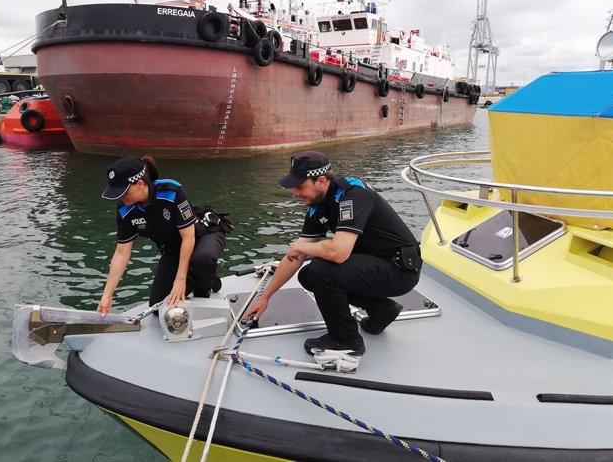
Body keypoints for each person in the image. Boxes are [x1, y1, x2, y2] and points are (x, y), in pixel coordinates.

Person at [245, 151, 422, 357]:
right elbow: (295, 257)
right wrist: (265, 297)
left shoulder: (353, 195)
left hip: (399, 270)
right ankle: (380, 309)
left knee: (321, 269)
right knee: (308, 274)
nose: (295, 193)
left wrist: (303, 248)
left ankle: (346, 340)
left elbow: (337, 253)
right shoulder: (317, 206)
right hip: (377, 265)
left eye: (300, 186)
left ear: (321, 180)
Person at [97, 156, 226, 315]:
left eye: (123, 191)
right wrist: (107, 295)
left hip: (201, 236)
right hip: (173, 249)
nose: (119, 197)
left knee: (203, 260)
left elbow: (188, 237)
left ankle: (205, 284)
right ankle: (205, 276)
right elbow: (122, 252)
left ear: (140, 184)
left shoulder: (171, 191)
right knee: (158, 308)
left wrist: (180, 281)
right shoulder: (125, 209)